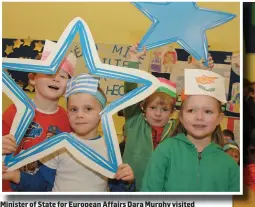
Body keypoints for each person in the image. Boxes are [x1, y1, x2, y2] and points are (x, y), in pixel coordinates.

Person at [3, 73, 135, 192]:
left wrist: (127, 181)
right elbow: (42, 185)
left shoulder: (111, 149)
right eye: (73, 109)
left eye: (88, 109)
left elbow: (118, 190)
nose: (79, 115)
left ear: (102, 114)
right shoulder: (59, 144)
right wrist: (16, 176)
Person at [141, 69, 240, 192]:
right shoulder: (165, 151)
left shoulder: (229, 165)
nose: (199, 117)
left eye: (208, 111)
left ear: (219, 118)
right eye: (191, 110)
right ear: (181, 116)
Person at [2, 40, 76, 191]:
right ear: (32, 78)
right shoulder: (14, 112)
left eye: (63, 76)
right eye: (49, 73)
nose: (56, 78)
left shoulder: (69, 119)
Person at [122, 44, 177, 191]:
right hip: (131, 190)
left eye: (164, 109)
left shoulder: (177, 130)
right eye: (153, 108)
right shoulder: (134, 121)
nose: (158, 114)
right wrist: (133, 61)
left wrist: (202, 72)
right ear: (143, 108)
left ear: (171, 112)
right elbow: (129, 93)